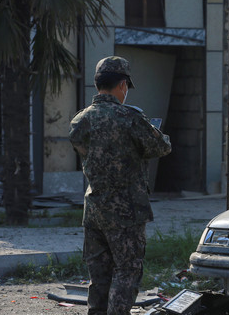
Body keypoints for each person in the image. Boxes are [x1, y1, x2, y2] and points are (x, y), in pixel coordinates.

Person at [69, 56, 172, 315]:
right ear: (123, 85)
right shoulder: (130, 118)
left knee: (99, 276)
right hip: (127, 212)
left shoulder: (80, 120)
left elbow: (82, 147)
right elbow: (161, 147)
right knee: (127, 271)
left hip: (94, 210)